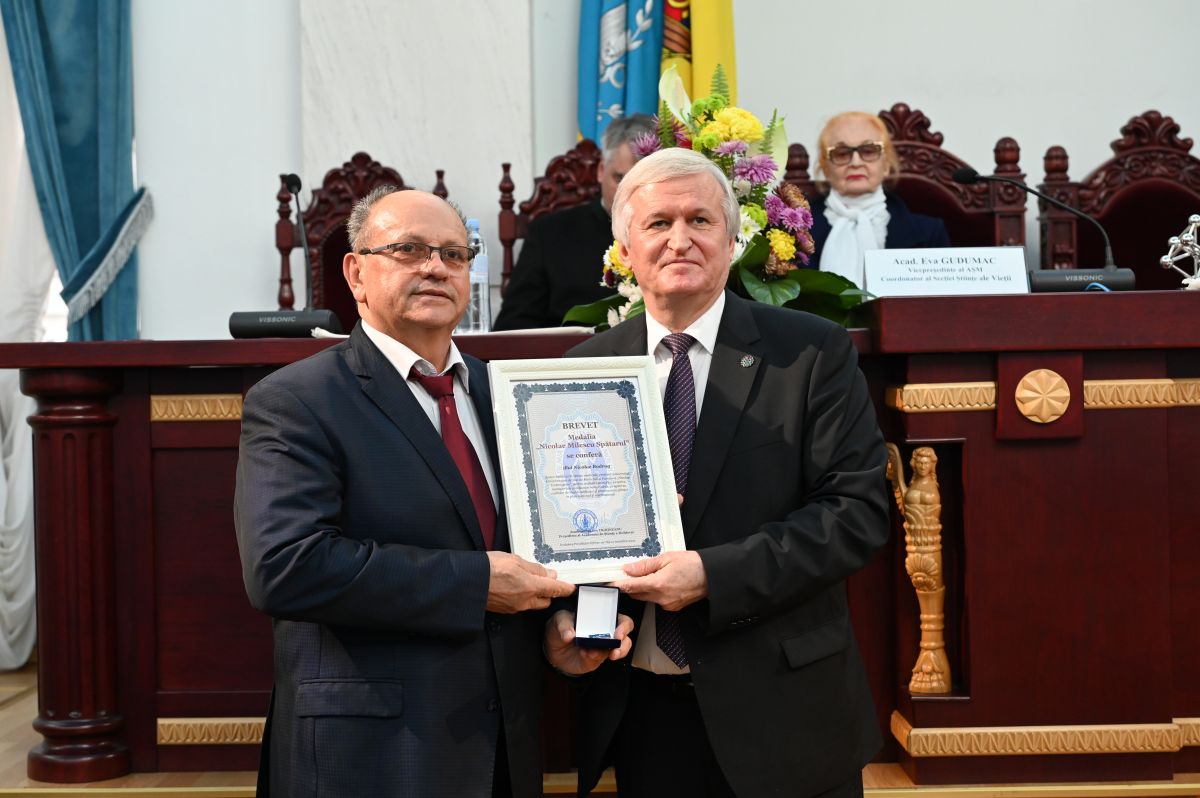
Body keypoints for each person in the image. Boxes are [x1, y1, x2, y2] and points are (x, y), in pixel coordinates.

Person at [233, 187, 625, 797]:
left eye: (454, 254)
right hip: (370, 756)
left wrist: (557, 635)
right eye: (409, 250)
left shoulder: (510, 397)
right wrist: (476, 583)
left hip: (501, 749)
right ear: (355, 273)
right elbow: (285, 568)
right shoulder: (297, 400)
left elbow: (535, 544)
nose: (436, 267)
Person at [548, 148, 890, 798]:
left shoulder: (810, 352)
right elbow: (572, 525)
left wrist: (712, 575)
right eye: (658, 223)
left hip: (785, 713)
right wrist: (569, 620)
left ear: (733, 242)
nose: (680, 239)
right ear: (625, 250)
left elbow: (856, 516)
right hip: (643, 714)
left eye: (700, 221)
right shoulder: (583, 368)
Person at [493, 114, 656, 330]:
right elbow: (512, 327)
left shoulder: (676, 240)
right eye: (620, 179)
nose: (629, 193)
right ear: (601, 171)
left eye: (644, 183)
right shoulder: (548, 234)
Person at [807, 111, 950, 287]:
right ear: (825, 168)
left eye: (868, 151)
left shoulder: (929, 233)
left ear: (886, 164)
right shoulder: (795, 234)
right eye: (842, 153)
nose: (856, 163)